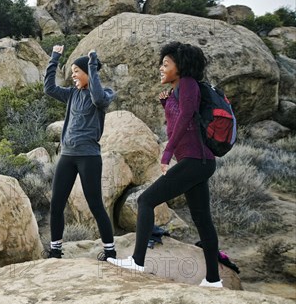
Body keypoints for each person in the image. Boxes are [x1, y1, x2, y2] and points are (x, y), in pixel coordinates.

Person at [107, 41, 222, 288]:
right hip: (198, 162)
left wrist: (167, 152)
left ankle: (137, 261)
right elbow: (179, 117)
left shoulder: (188, 84)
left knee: (145, 200)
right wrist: (166, 103)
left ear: (179, 67)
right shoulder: (178, 89)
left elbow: (186, 117)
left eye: (166, 64)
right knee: (203, 221)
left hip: (195, 160)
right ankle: (213, 280)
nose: (161, 68)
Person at [43, 45, 117, 261]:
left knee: (95, 204)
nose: (73, 75)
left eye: (77, 71)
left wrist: (93, 66)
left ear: (88, 72)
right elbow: (48, 88)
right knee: (56, 203)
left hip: (89, 157)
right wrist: (54, 58)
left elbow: (98, 98)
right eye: (72, 71)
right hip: (67, 155)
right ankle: (55, 250)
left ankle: (110, 251)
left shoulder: (104, 94)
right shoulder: (72, 94)